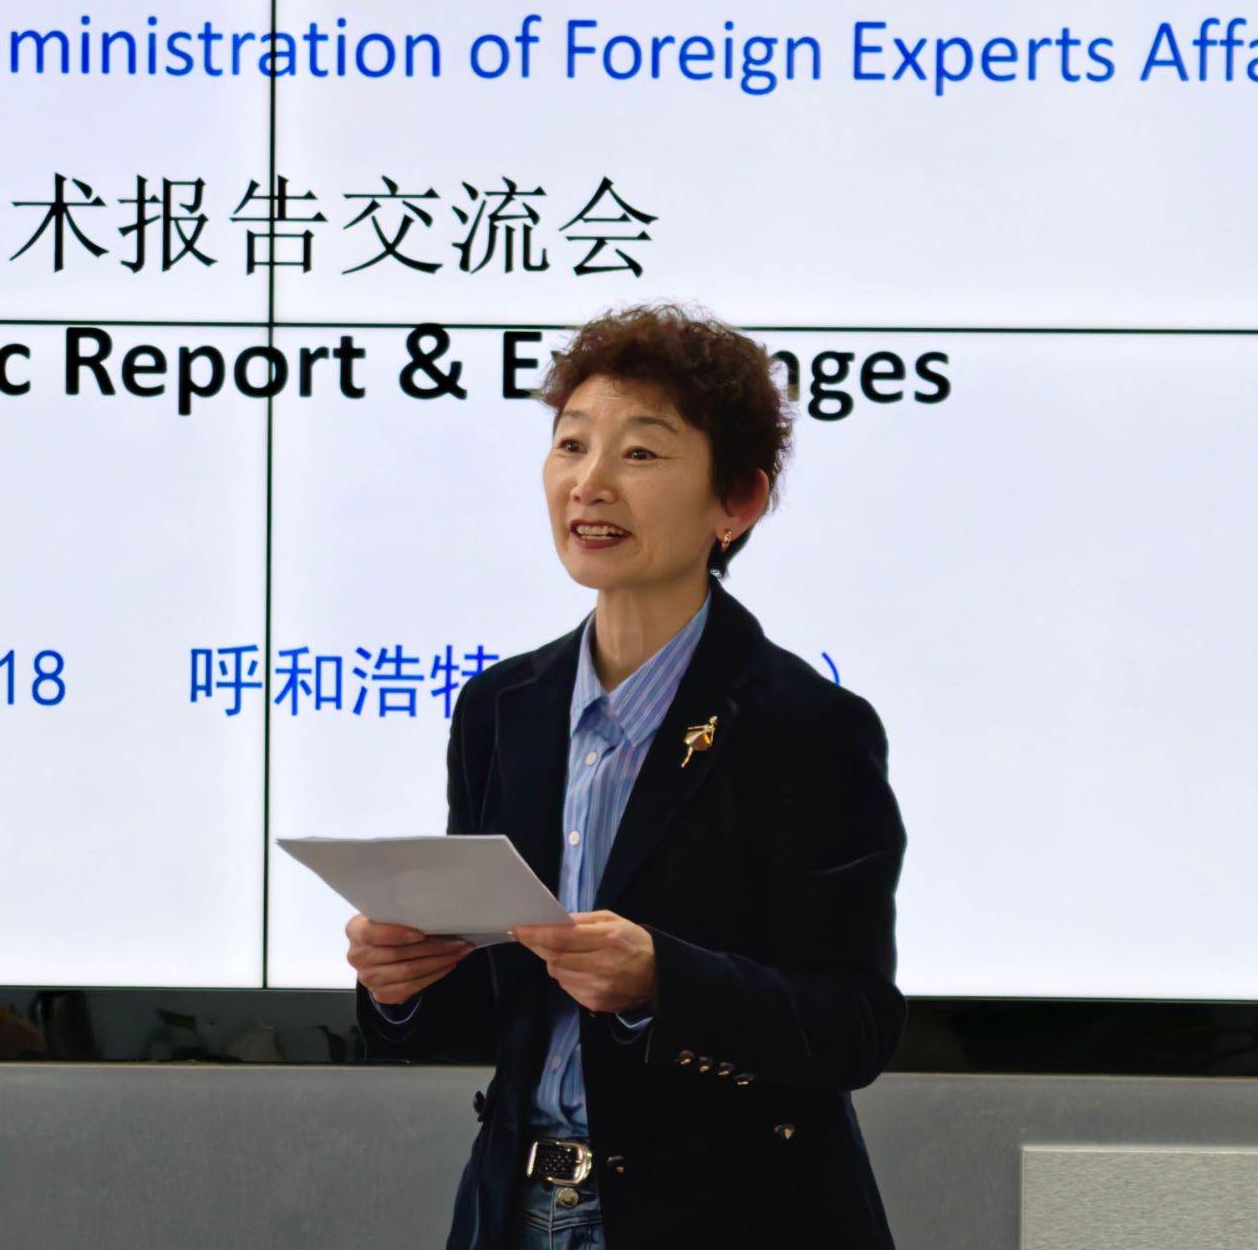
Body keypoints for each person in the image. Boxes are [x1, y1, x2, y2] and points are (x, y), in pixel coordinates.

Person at [348, 305, 907, 1249]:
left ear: (737, 503)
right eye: (571, 445)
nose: (590, 483)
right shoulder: (502, 710)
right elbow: (500, 1015)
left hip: (730, 1217)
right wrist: (400, 984)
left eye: (640, 454)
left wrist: (662, 981)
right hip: (518, 1211)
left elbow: (854, 1026)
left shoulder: (808, 727)